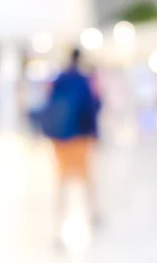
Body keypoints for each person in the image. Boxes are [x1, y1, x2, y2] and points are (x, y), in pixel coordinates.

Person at [42, 49, 101, 244]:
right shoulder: (84, 80)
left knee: (61, 180)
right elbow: (91, 107)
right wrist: (94, 134)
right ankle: (92, 213)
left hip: (61, 138)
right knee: (85, 177)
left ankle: (58, 224)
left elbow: (49, 104)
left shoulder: (59, 79)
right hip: (80, 137)